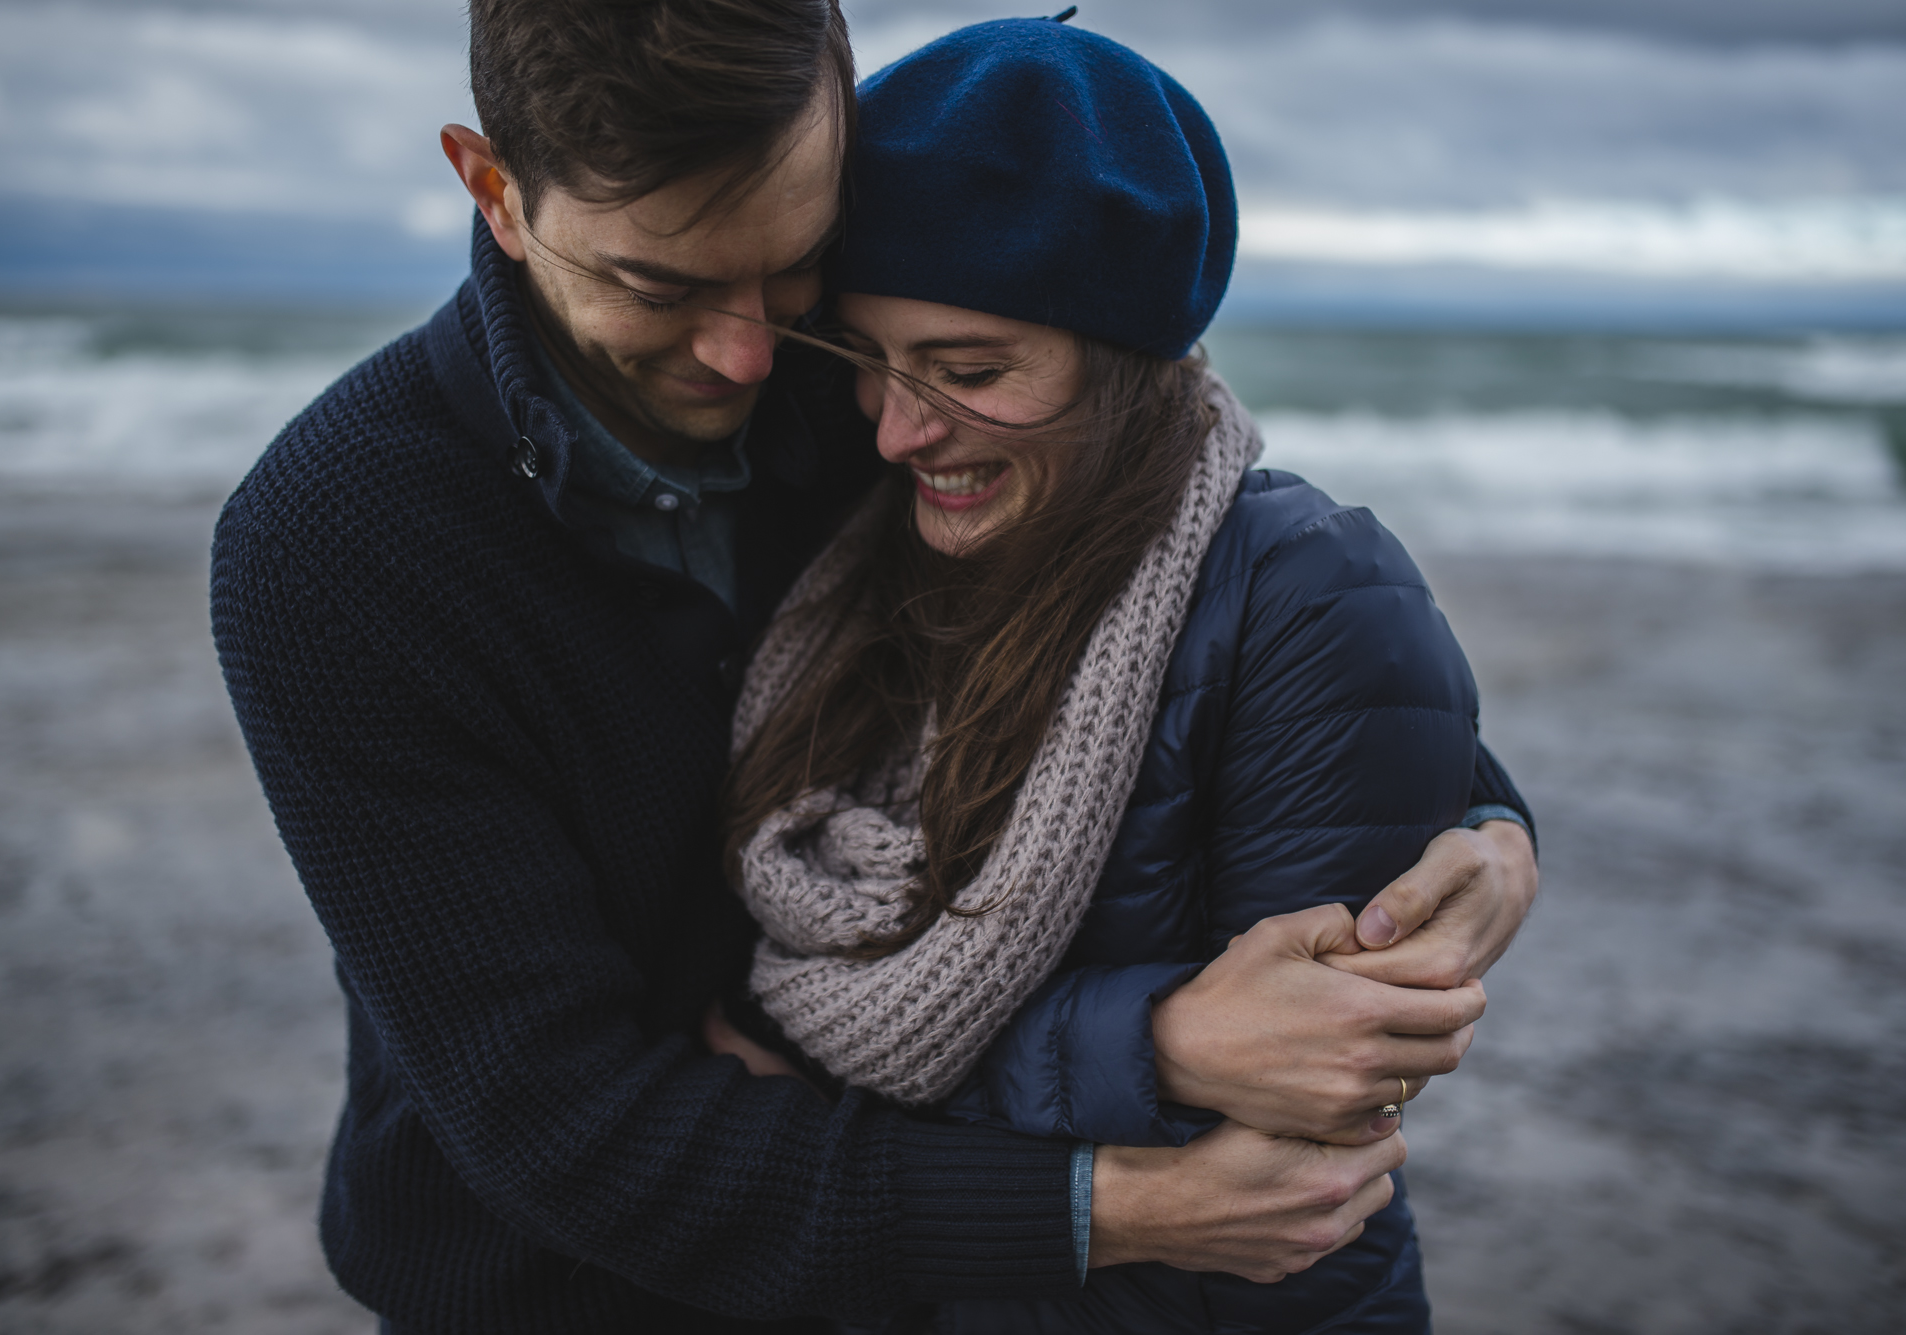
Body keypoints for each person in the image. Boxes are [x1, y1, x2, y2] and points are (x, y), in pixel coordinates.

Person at [208, 2, 1537, 1331]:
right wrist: (1115, 1187)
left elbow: (1163, 543)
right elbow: (561, 1121)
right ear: (494, 188)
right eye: (660, 286)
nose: (742, 353)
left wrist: (1481, 818)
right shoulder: (335, 546)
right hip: (557, 1289)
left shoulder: (852, 367)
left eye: (790, 269)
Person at [713, 16, 1529, 1334]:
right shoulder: (862, 550)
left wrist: (1148, 1053)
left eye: (971, 371)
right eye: (870, 359)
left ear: (1129, 364)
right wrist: (1159, 1035)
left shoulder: (1308, 593)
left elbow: (1301, 1090)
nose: (903, 428)